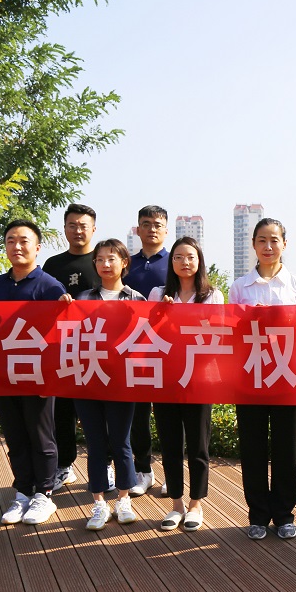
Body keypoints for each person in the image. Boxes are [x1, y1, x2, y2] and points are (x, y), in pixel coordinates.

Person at [229, 218, 296, 540]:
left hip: (288, 375)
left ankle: (285, 514)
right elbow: (232, 332)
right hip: (250, 374)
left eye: (274, 240)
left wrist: (279, 320)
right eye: (261, 240)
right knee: (252, 447)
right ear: (253, 245)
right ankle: (258, 515)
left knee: (286, 447)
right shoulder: (240, 287)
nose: (268, 246)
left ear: (284, 244)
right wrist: (252, 319)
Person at [0, 220, 69, 525]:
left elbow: (59, 336)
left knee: (41, 436)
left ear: (37, 248)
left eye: (23, 241)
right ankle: (22, 493)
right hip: (3, 375)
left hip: (38, 375)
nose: (16, 247)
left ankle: (44, 494)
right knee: (15, 435)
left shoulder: (50, 286)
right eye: (10, 241)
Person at [148, 236, 223, 532]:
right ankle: (176, 504)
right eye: (178, 257)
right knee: (170, 443)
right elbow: (148, 334)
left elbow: (218, 334)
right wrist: (161, 313)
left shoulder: (212, 295)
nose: (185, 262)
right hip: (166, 378)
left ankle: (196, 504)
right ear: (171, 262)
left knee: (198, 444)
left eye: (191, 257)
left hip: (199, 378)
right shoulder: (158, 293)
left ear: (199, 261)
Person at [74, 239, 145, 530]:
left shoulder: (137, 299)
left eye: (112, 258)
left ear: (124, 262)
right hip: (88, 379)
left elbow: (146, 341)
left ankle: (124, 499)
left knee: (121, 441)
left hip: (122, 382)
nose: (105, 264)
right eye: (100, 259)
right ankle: (99, 503)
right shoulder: (83, 298)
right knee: (95, 442)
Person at [42, 203, 101, 492]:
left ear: (94, 229)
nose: (78, 230)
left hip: (97, 349)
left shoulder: (103, 261)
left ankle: (104, 466)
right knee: (62, 413)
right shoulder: (52, 265)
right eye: (72, 225)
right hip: (62, 349)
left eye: (83, 226)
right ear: (64, 228)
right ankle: (64, 466)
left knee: (99, 411)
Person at [122, 205, 170, 497]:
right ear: (137, 229)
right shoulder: (127, 265)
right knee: (137, 416)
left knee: (169, 416)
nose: (152, 229)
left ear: (166, 229)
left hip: (169, 351)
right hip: (135, 349)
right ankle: (144, 471)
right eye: (146, 224)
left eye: (157, 224)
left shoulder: (176, 262)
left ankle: (173, 473)